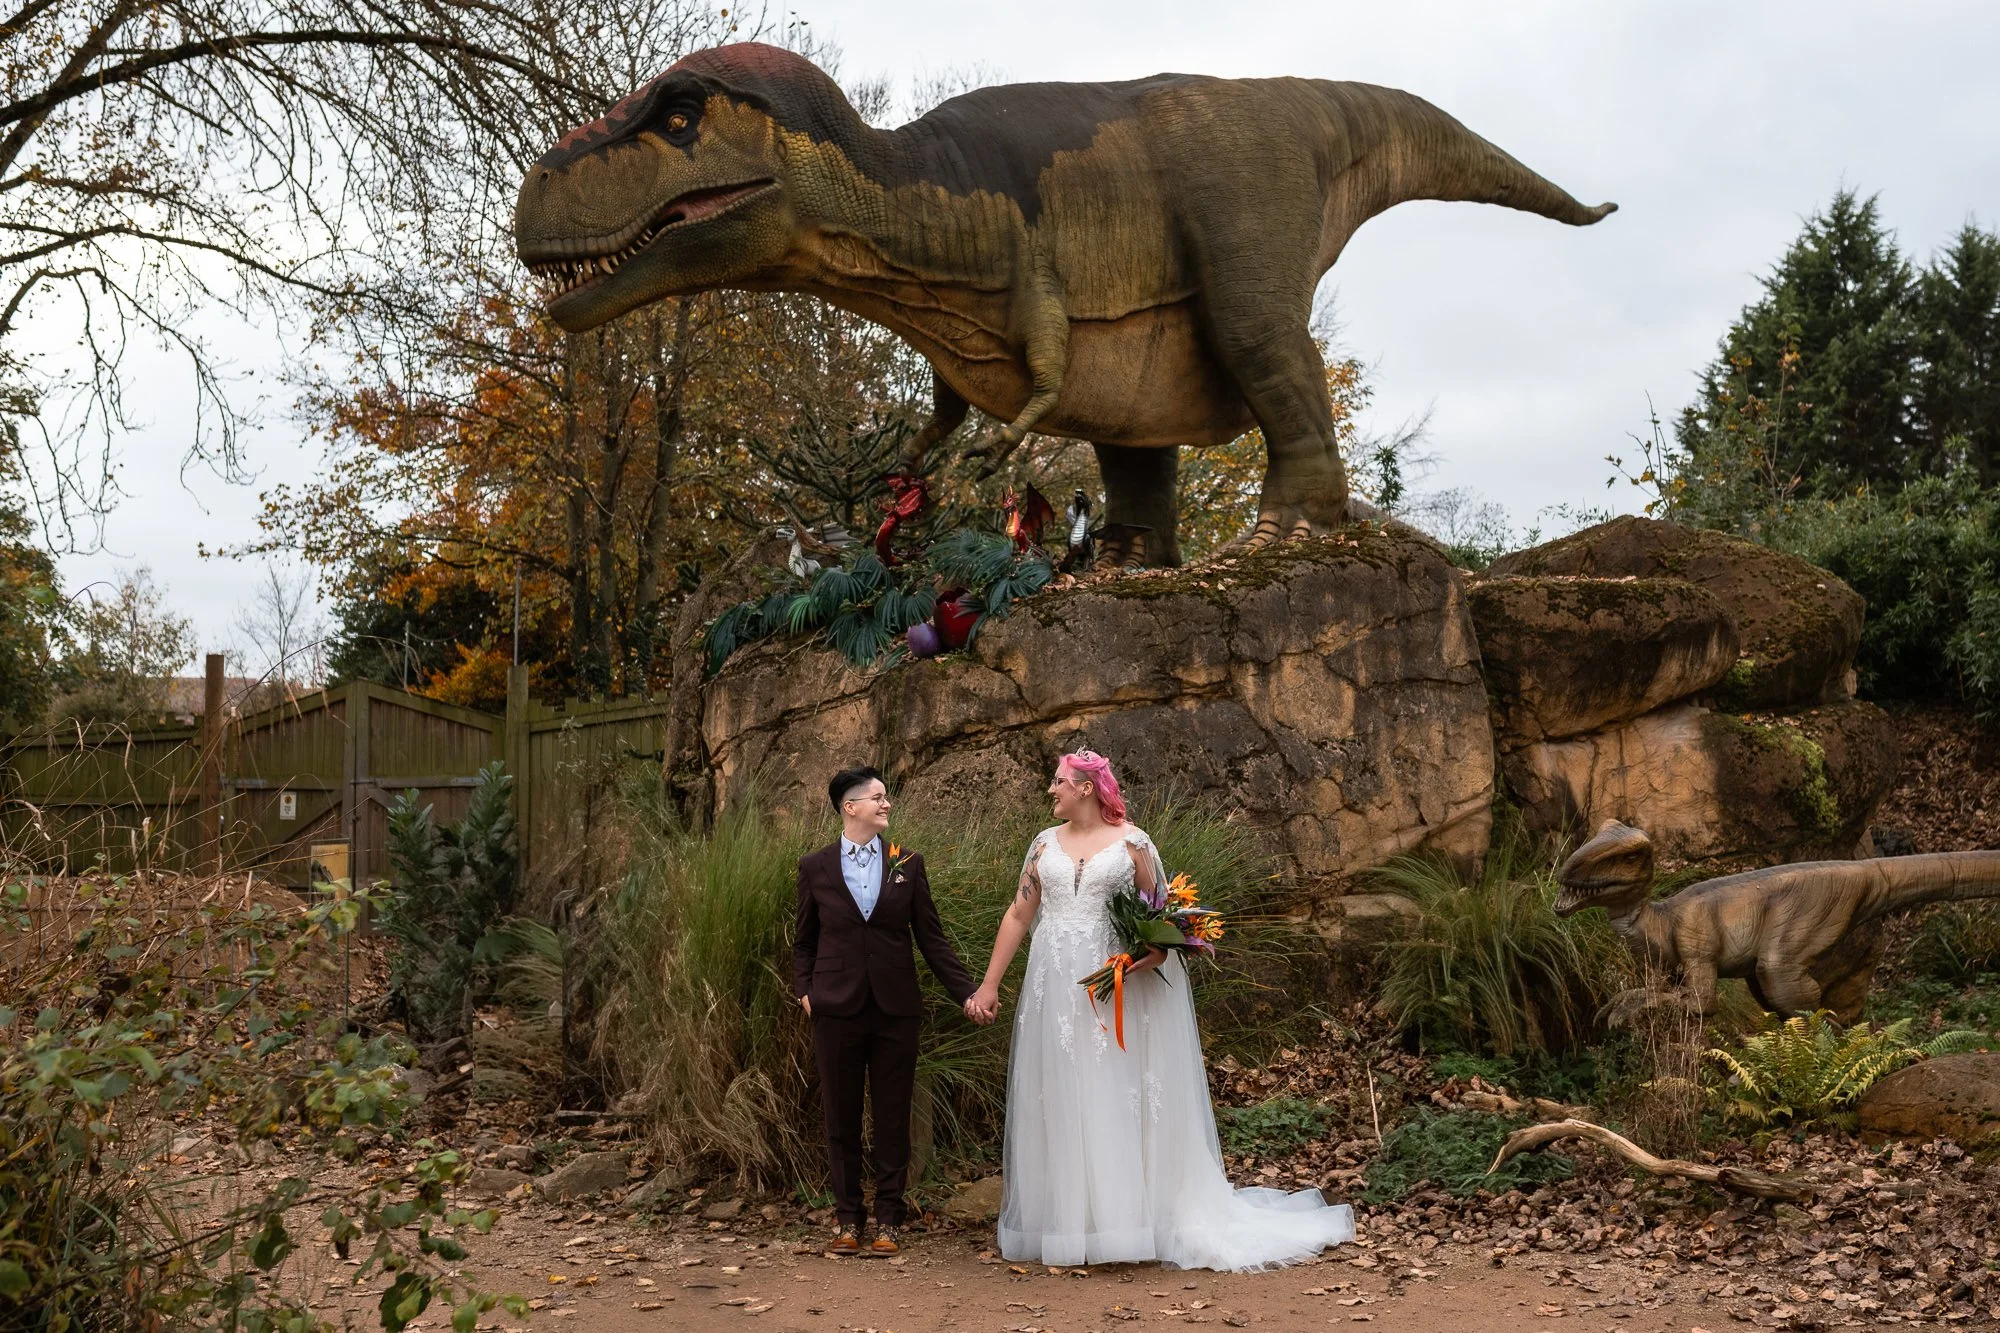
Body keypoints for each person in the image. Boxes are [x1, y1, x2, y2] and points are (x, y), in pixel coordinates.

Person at [966, 750, 1354, 1270]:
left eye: (1058, 782)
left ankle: (1126, 1223)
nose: (1051, 790)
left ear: (1085, 788)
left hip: (1113, 988)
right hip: (1052, 988)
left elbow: (1161, 923)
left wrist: (1147, 955)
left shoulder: (1134, 844)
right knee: (1059, 1092)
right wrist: (989, 985)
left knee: (1111, 1090)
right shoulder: (1043, 845)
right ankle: (1070, 1224)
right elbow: (1019, 914)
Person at [794, 765, 989, 1258]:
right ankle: (847, 1220)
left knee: (893, 1115)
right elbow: (804, 941)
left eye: (886, 797)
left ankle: (888, 1220)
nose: (886, 804)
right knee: (840, 1117)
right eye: (877, 797)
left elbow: (932, 939)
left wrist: (968, 993)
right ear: (850, 807)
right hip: (835, 1007)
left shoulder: (908, 863)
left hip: (895, 1007)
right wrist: (805, 992)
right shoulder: (814, 866)